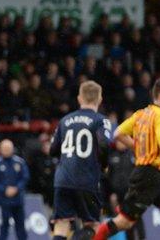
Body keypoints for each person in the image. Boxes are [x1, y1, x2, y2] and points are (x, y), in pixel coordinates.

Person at [94, 78, 160, 240]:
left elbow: (118, 133)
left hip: (152, 174)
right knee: (124, 222)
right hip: (149, 177)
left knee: (126, 222)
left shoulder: (140, 114)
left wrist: (139, 149)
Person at [49, 81, 112, 240]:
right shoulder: (101, 120)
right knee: (92, 225)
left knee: (61, 224)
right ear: (100, 99)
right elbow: (104, 144)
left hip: (63, 179)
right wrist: (104, 165)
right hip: (87, 178)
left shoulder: (64, 120)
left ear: (79, 98)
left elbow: (52, 150)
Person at [0, 139, 30, 240]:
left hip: (18, 200)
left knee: (20, 225)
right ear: (1, 149)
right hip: (4, 200)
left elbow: (25, 177)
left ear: (12, 149)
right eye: (5, 148)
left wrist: (17, 188)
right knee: (4, 225)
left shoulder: (19, 162)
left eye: (8, 148)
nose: (7, 150)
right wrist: (4, 190)